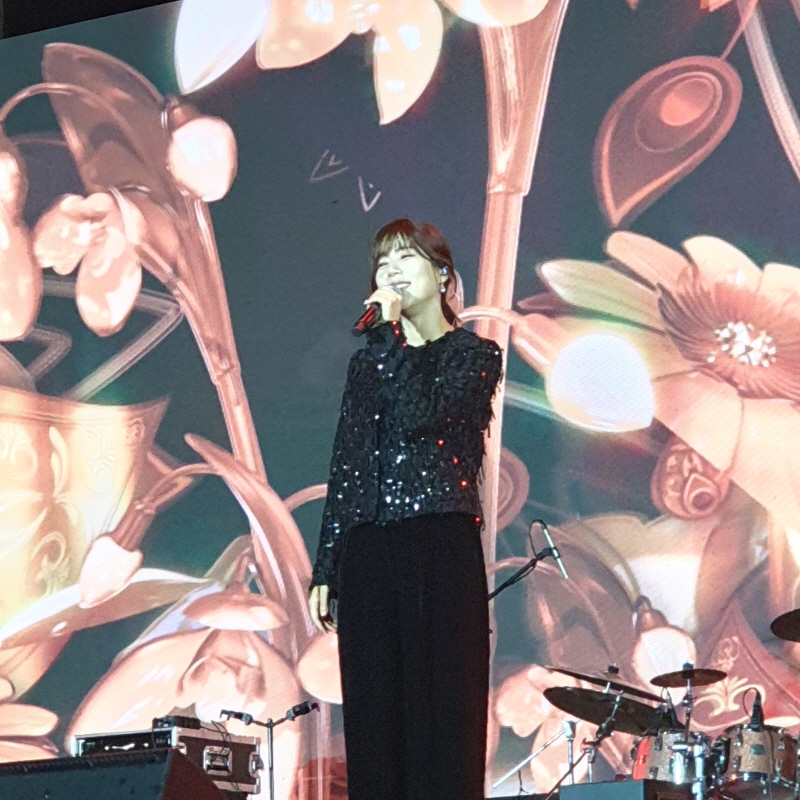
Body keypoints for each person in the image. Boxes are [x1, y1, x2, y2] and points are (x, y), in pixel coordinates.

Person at [308, 218, 503, 800]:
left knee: (442, 718)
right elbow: (347, 463)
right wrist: (327, 564)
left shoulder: (474, 355)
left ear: (442, 275)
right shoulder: (367, 363)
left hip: (440, 547)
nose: (390, 271)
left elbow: (425, 417)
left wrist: (390, 335)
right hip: (370, 552)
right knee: (375, 723)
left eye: (406, 258)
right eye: (383, 262)